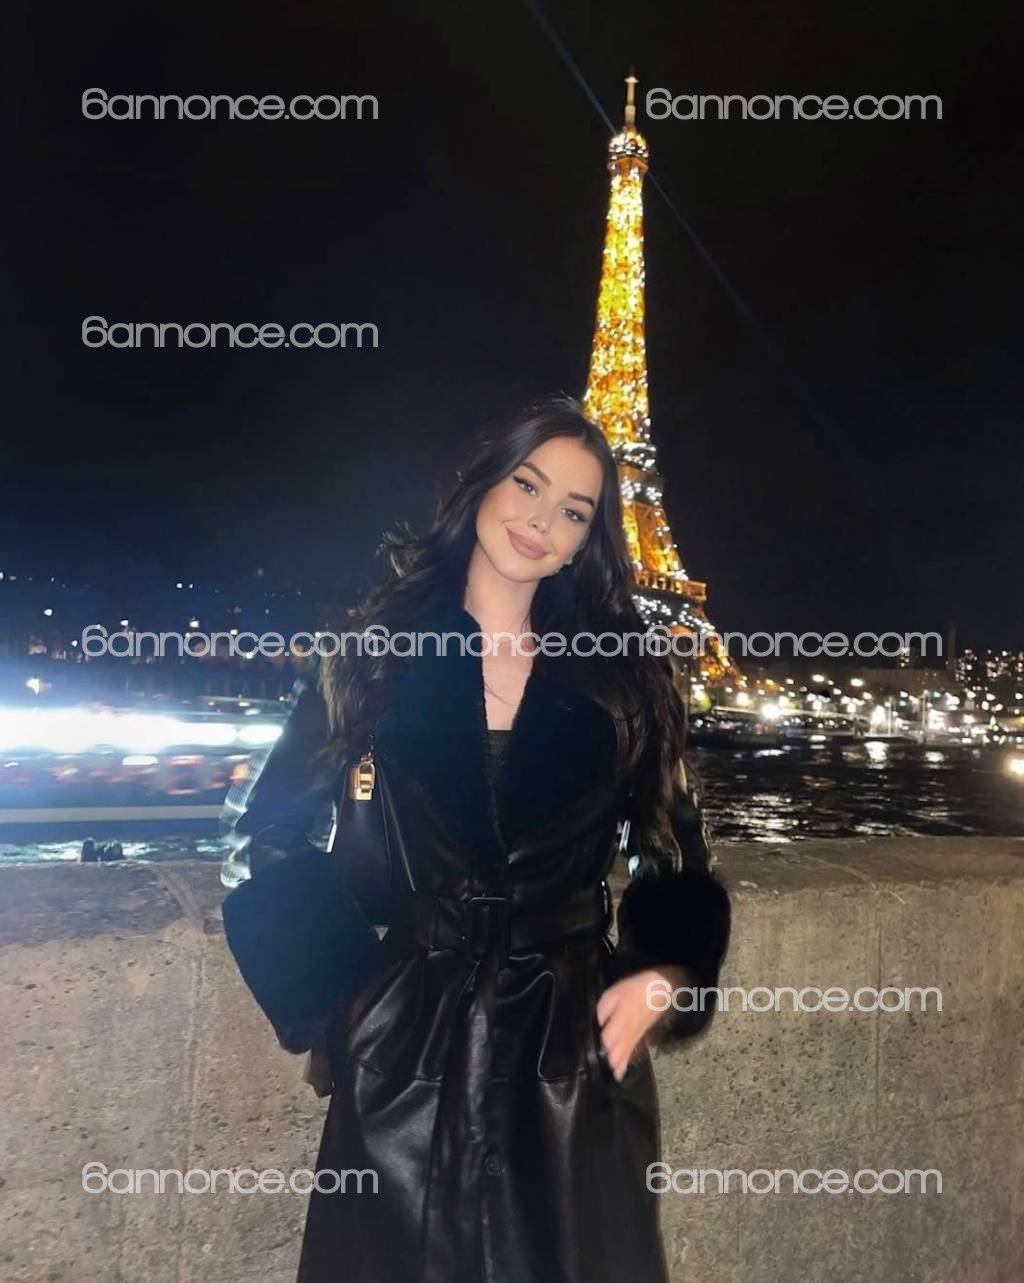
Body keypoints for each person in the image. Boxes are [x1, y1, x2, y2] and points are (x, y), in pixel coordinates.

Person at [220, 394, 731, 1283]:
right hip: (408, 1045)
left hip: (567, 1052)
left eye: (573, 510)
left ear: (587, 539)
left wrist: (666, 968)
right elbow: (270, 829)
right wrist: (346, 1000)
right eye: (527, 485)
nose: (541, 520)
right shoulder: (376, 652)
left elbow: (674, 851)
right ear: (483, 484)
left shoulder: (627, 678)